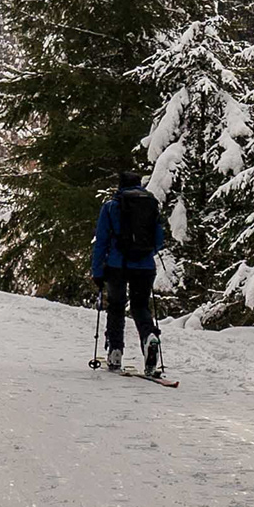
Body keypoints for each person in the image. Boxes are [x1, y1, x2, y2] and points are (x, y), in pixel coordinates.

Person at [90, 160, 168, 377]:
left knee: (116, 306)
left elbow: (101, 242)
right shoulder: (150, 205)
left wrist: (97, 271)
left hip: (117, 266)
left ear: (120, 185)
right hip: (145, 267)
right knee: (140, 307)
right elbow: (159, 240)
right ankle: (149, 339)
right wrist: (143, 255)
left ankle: (115, 350)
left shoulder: (111, 207)